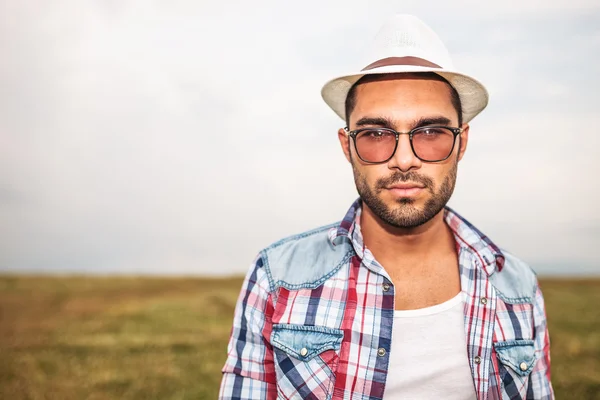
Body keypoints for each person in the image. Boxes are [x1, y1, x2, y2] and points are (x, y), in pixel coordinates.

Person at [219, 14, 554, 400]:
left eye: (431, 133)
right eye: (376, 134)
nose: (405, 160)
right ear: (347, 147)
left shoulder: (516, 285)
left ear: (461, 144)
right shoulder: (277, 276)